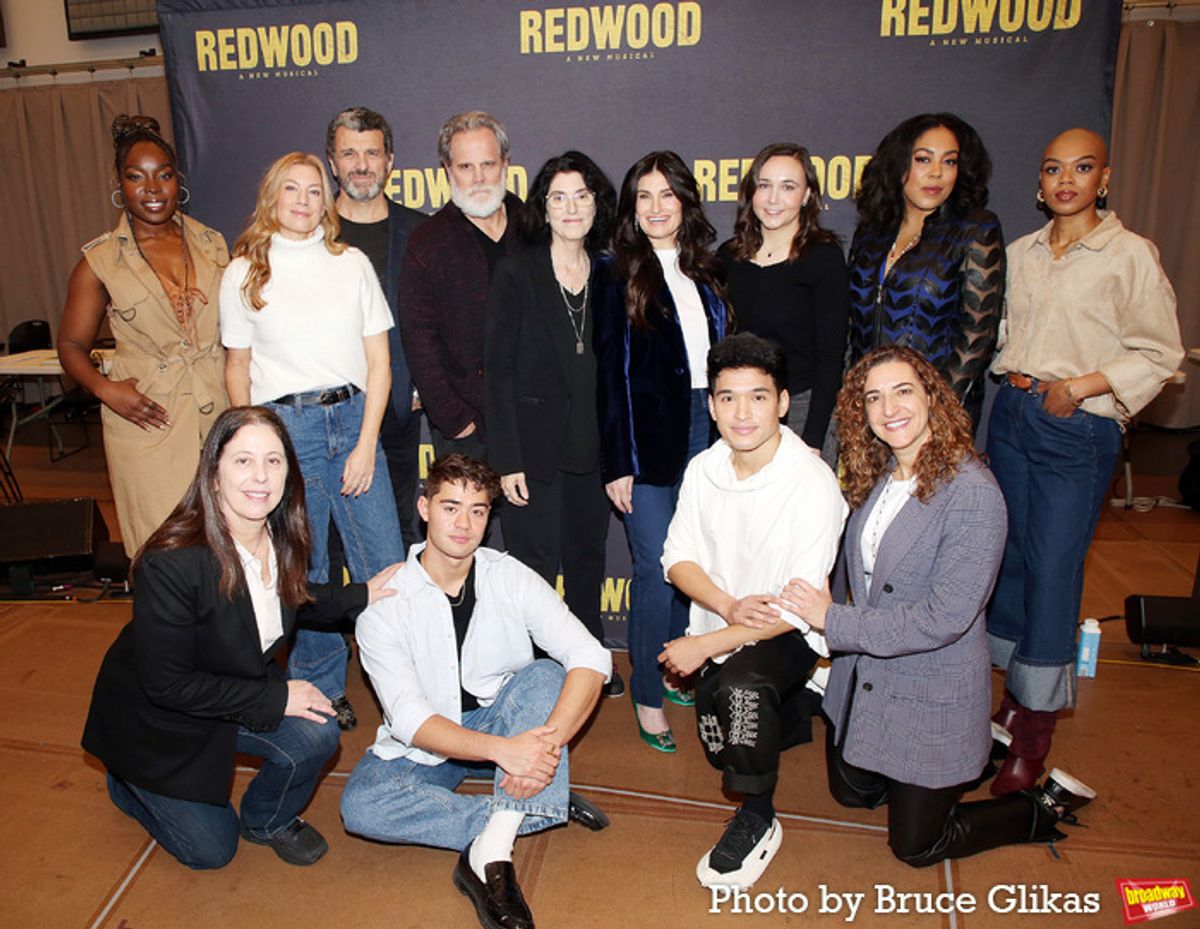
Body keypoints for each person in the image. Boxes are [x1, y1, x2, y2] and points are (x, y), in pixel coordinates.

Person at [781, 345, 1098, 868]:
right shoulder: (880, 474)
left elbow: (943, 619)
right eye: (873, 398)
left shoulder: (972, 492)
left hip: (931, 680)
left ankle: (1041, 806)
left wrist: (831, 619)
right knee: (852, 792)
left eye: (903, 391)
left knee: (916, 845)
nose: (889, 409)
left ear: (932, 396)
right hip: (868, 677)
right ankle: (982, 746)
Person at [81, 406, 398, 869]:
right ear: (213, 474)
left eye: (274, 461)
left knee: (317, 732)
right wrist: (275, 698)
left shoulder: (278, 531)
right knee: (212, 852)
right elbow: (168, 686)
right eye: (243, 460)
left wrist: (365, 593)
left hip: (228, 687)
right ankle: (128, 781)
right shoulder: (171, 562)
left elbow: (296, 594)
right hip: (161, 723)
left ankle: (266, 820)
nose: (260, 476)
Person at [986, 128, 1184, 794]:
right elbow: (1006, 334)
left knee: (1052, 565)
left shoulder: (1129, 255)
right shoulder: (1020, 253)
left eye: (1081, 167)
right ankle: (1013, 700)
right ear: (1039, 184)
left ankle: (1035, 728)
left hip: (1076, 425)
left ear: (1104, 178)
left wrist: (1080, 386)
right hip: (1011, 414)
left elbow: (1159, 353)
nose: (1065, 179)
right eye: (1052, 169)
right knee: (1009, 558)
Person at [340, 454, 611, 929]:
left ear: (490, 518)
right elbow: (409, 720)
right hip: (431, 742)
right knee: (361, 806)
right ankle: (538, 802)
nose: (464, 524)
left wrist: (541, 748)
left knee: (546, 677)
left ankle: (491, 853)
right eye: (450, 508)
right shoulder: (385, 604)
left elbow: (591, 656)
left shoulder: (508, 576)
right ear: (424, 508)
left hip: (502, 718)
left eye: (478, 511)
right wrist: (510, 753)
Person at [219, 152, 405, 731]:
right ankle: (320, 688)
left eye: (314, 189)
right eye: (291, 188)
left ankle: (406, 684)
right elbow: (236, 368)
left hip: (353, 421)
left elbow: (381, 363)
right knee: (306, 568)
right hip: (284, 429)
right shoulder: (243, 271)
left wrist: (365, 442)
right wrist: (254, 450)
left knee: (387, 562)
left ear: (328, 200)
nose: (303, 199)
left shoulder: (350, 264)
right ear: (271, 196)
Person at [659, 333, 847, 889]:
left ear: (783, 402)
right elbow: (678, 558)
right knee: (721, 744)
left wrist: (706, 646)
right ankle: (790, 710)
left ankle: (759, 816)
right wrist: (725, 607)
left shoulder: (811, 482)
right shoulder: (703, 469)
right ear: (712, 404)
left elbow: (799, 605)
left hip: (789, 632)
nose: (742, 413)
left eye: (758, 397)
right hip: (724, 619)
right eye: (728, 398)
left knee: (740, 693)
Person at [594, 150, 729, 751]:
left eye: (667, 195)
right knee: (652, 568)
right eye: (643, 196)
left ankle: (680, 666)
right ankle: (648, 692)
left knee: (691, 558)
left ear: (685, 202)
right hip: (648, 440)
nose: (655, 208)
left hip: (713, 427)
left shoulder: (708, 269)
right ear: (631, 207)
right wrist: (619, 460)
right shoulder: (616, 271)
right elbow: (611, 374)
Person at [484, 151, 624, 698]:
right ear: (544, 207)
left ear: (597, 205)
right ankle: (539, 674)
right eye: (558, 197)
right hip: (533, 452)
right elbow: (497, 371)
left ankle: (589, 661)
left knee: (587, 559)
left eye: (582, 196)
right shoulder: (516, 270)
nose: (571, 208)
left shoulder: (611, 273)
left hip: (594, 446)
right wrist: (506, 460)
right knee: (535, 565)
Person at [58, 114, 229, 558]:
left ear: (179, 181)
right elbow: (71, 345)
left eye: (164, 175)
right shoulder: (99, 262)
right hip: (148, 417)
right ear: (120, 183)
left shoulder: (212, 244)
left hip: (218, 414)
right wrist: (105, 389)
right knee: (163, 549)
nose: (152, 190)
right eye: (137, 177)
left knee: (226, 544)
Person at [846, 113, 1005, 426]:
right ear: (899, 163)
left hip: (935, 414)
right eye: (923, 159)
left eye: (949, 162)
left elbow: (976, 336)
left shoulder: (974, 229)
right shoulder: (872, 233)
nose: (936, 173)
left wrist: (935, 413)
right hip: (870, 407)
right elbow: (854, 327)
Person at [326, 106, 426, 550]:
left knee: (397, 530)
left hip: (398, 411)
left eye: (372, 153)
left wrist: (424, 382)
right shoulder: (309, 231)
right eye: (349, 154)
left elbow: (436, 318)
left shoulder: (421, 232)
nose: (361, 165)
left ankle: (393, 620)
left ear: (390, 161)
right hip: (325, 412)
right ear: (332, 163)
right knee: (324, 536)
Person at [399, 110, 523, 460]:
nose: (479, 177)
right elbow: (419, 339)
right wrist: (454, 421)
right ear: (448, 171)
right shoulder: (427, 242)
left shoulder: (536, 228)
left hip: (536, 417)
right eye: (466, 167)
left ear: (506, 164)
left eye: (488, 163)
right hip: (469, 427)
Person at [718, 143, 848, 464]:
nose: (774, 198)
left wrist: (815, 438)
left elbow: (832, 359)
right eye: (764, 186)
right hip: (741, 412)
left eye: (788, 187)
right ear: (751, 192)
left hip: (803, 411)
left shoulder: (823, 258)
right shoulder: (728, 258)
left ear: (807, 196)